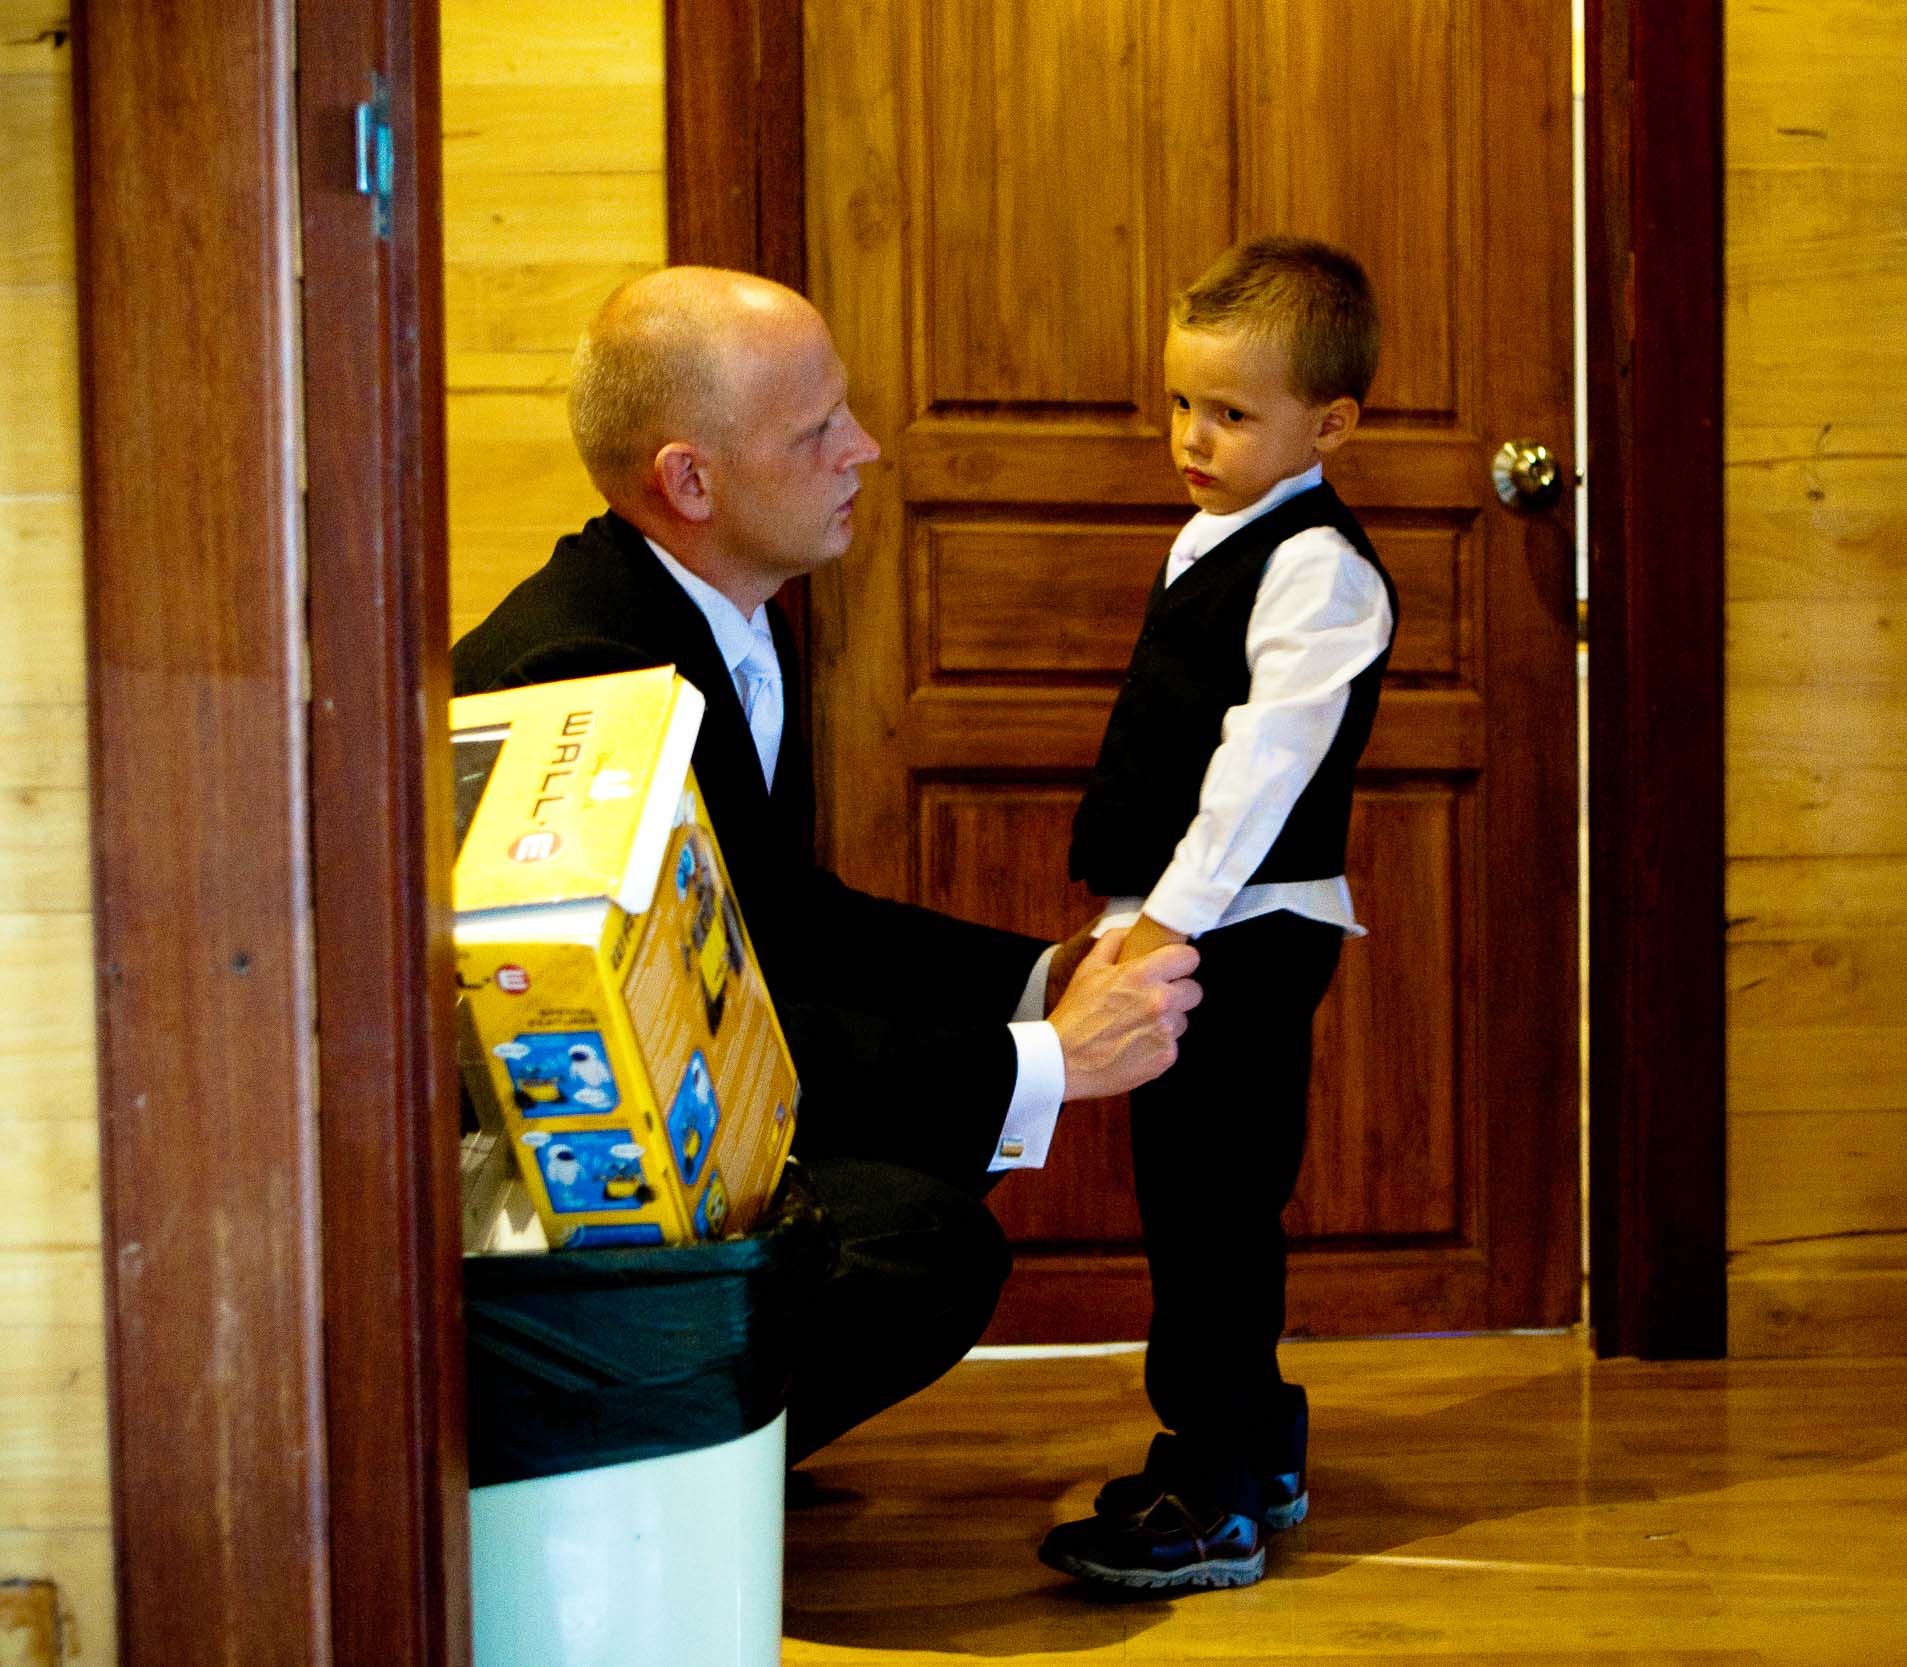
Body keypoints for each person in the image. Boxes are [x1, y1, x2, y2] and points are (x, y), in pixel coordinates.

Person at [453, 266, 1203, 1463]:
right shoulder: (585, 669)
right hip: (546, 1176)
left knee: (949, 1131)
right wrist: (1048, 1058)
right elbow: (679, 1036)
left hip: (665, 1103)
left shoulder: (728, 613)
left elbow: (784, 918)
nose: (863, 448)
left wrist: (1039, 976)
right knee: (923, 1240)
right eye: (816, 431)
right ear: (689, 481)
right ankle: (671, 1475)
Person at [1036, 238, 1398, 1591]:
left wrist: (1167, 921)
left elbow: (1265, 764)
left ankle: (1214, 1486)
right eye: (1183, 401)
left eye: (1233, 412)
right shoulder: (1219, 534)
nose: (1193, 436)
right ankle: (1259, 1440)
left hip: (1242, 926)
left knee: (1211, 1204)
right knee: (1198, 1196)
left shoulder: (1318, 566)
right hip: (1200, 919)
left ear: (1330, 424)